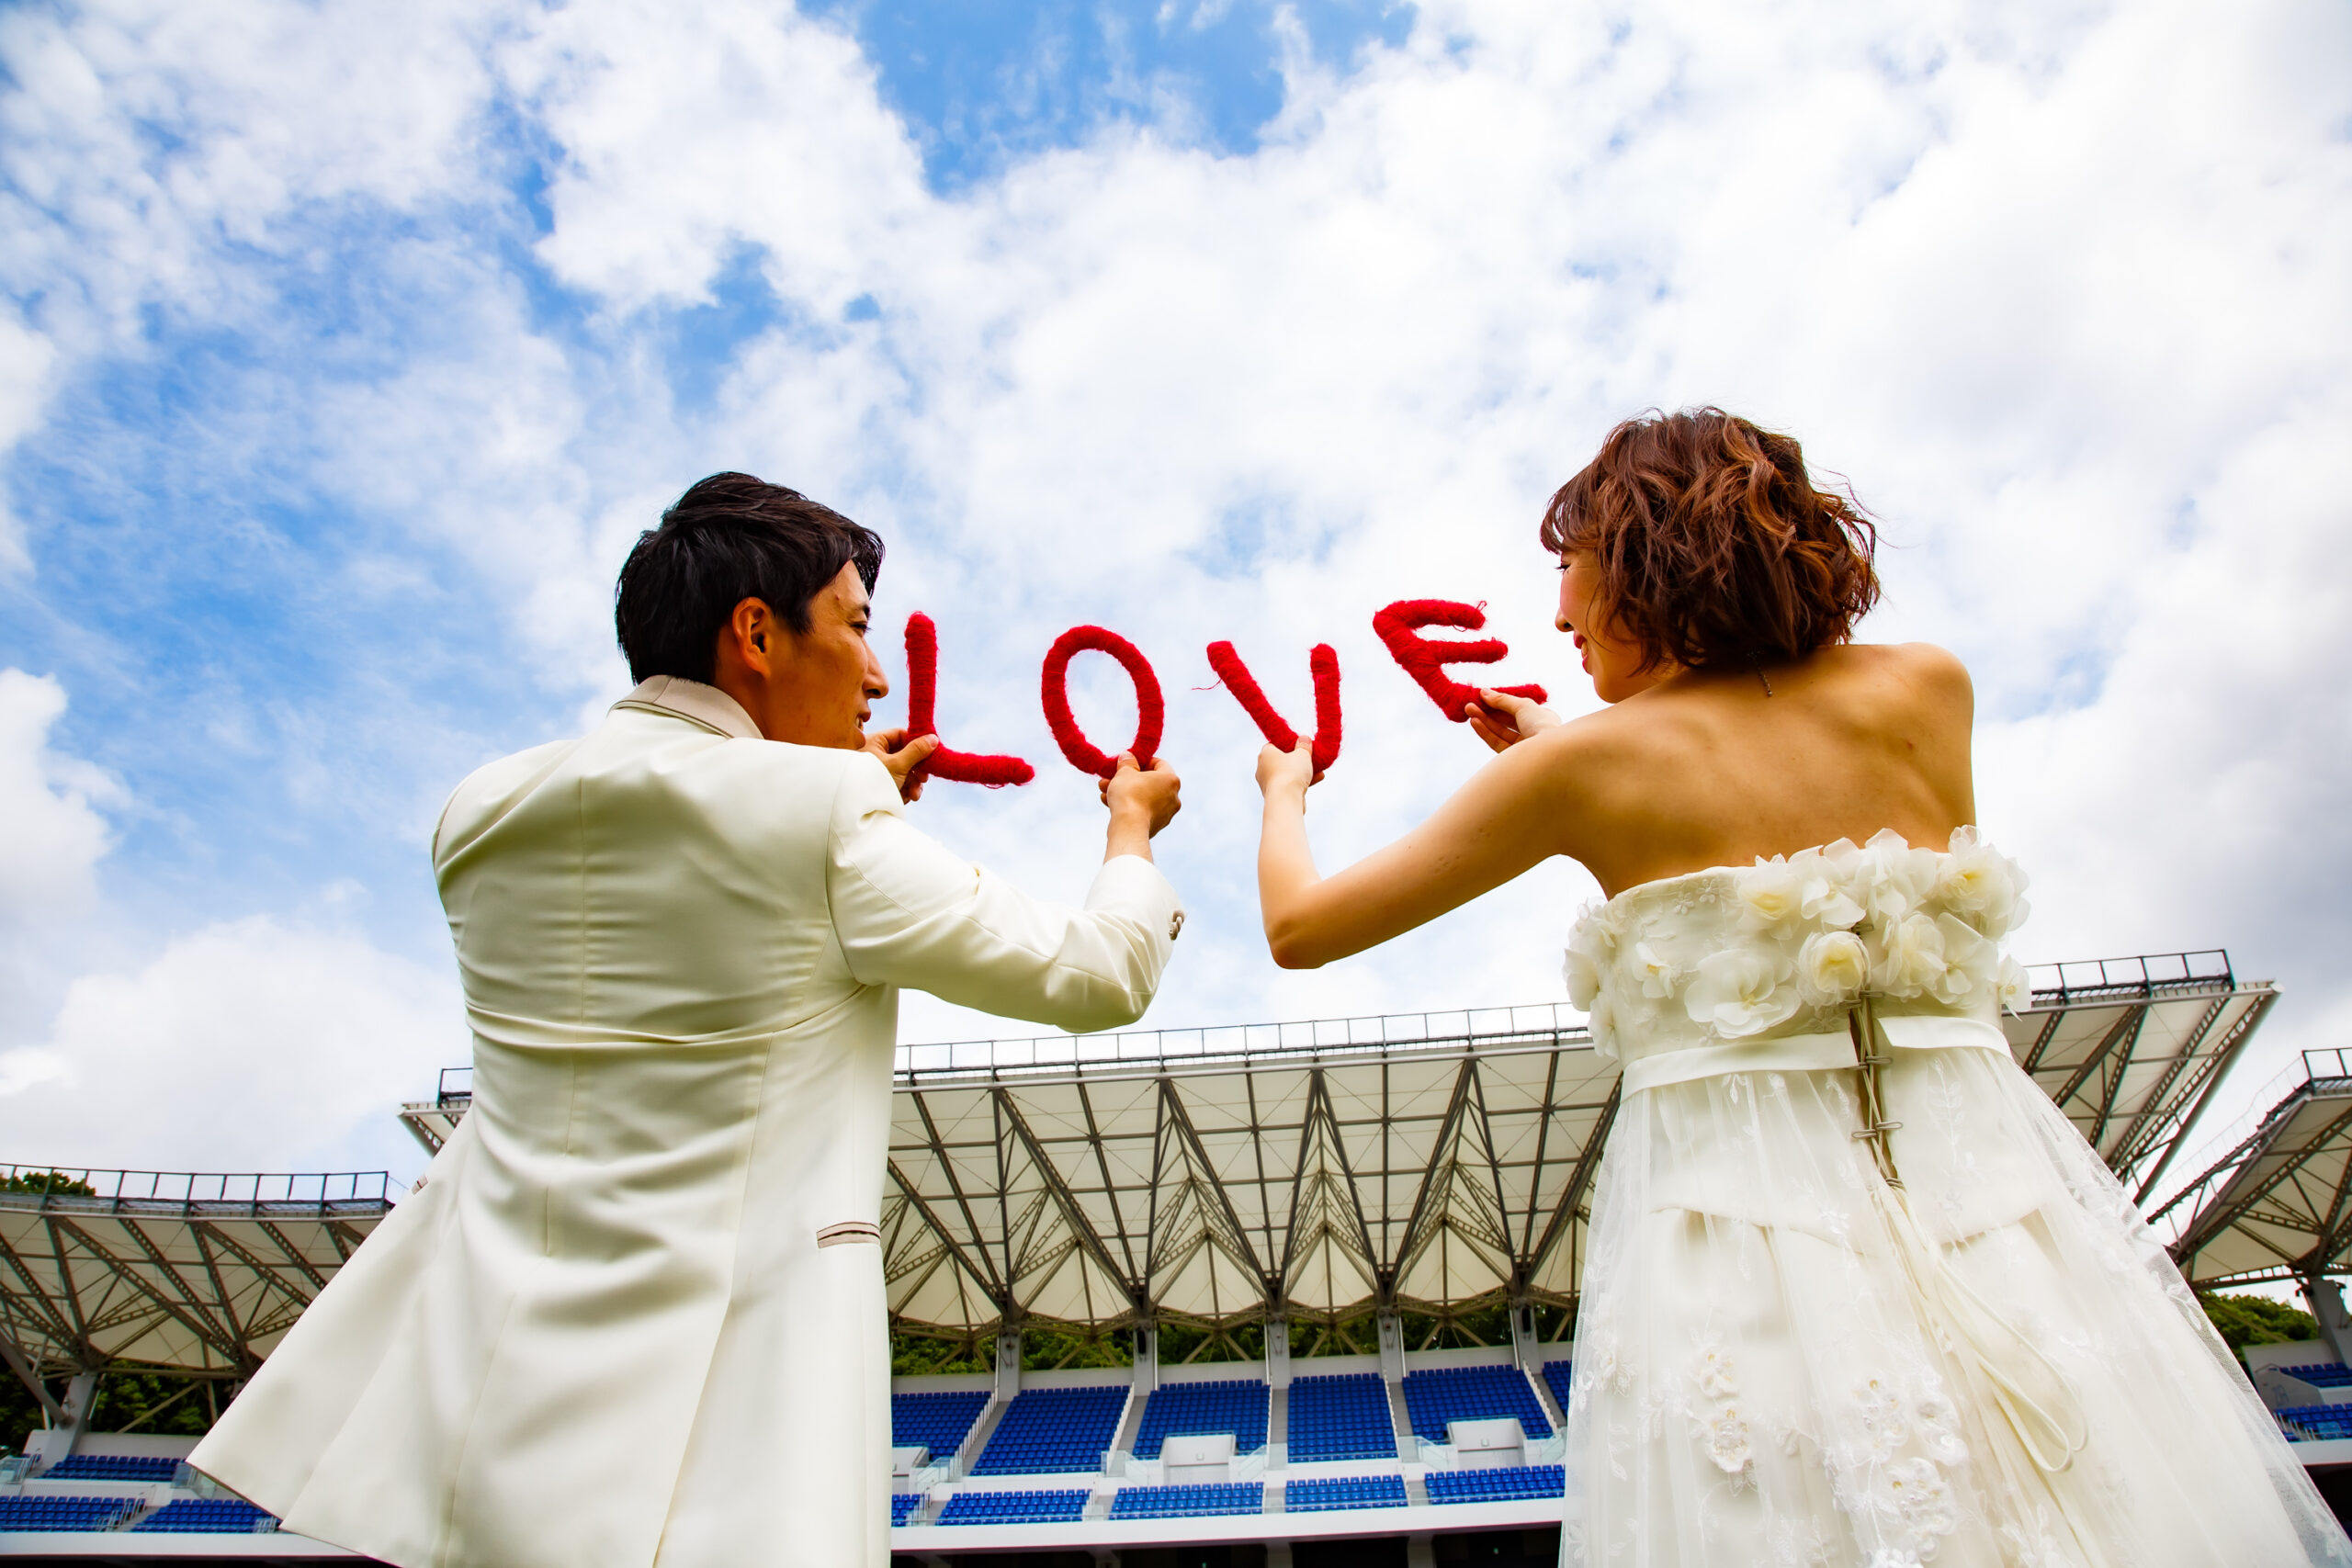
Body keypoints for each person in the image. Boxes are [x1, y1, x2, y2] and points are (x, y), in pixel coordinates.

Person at [1250, 410, 2349, 1566]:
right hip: (1996, 1223)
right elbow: (1769, 804)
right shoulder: (1929, 691)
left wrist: (1286, 792)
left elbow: (1300, 929)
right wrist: (1567, 747)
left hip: (1741, 1251)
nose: (1559, 616)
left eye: (1569, 571)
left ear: (1643, 558)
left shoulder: (1579, 771)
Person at [189, 473, 1186, 1568]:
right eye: (856, 627)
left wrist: (826, 796)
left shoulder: (481, 810)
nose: (875, 673)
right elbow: (1097, 973)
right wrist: (1130, 833)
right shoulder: (827, 817)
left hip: (480, 1415)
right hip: (719, 1447)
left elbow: (703, 879)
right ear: (755, 632)